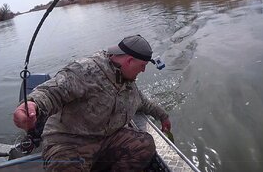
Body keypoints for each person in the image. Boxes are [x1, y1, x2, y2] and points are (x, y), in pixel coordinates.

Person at [13, 34, 171, 171]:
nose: (143, 70)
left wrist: (163, 116)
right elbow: (52, 91)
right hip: (68, 143)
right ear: (129, 61)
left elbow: (143, 103)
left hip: (104, 140)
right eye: (142, 66)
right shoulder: (85, 70)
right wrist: (32, 104)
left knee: (144, 145)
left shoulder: (127, 80)